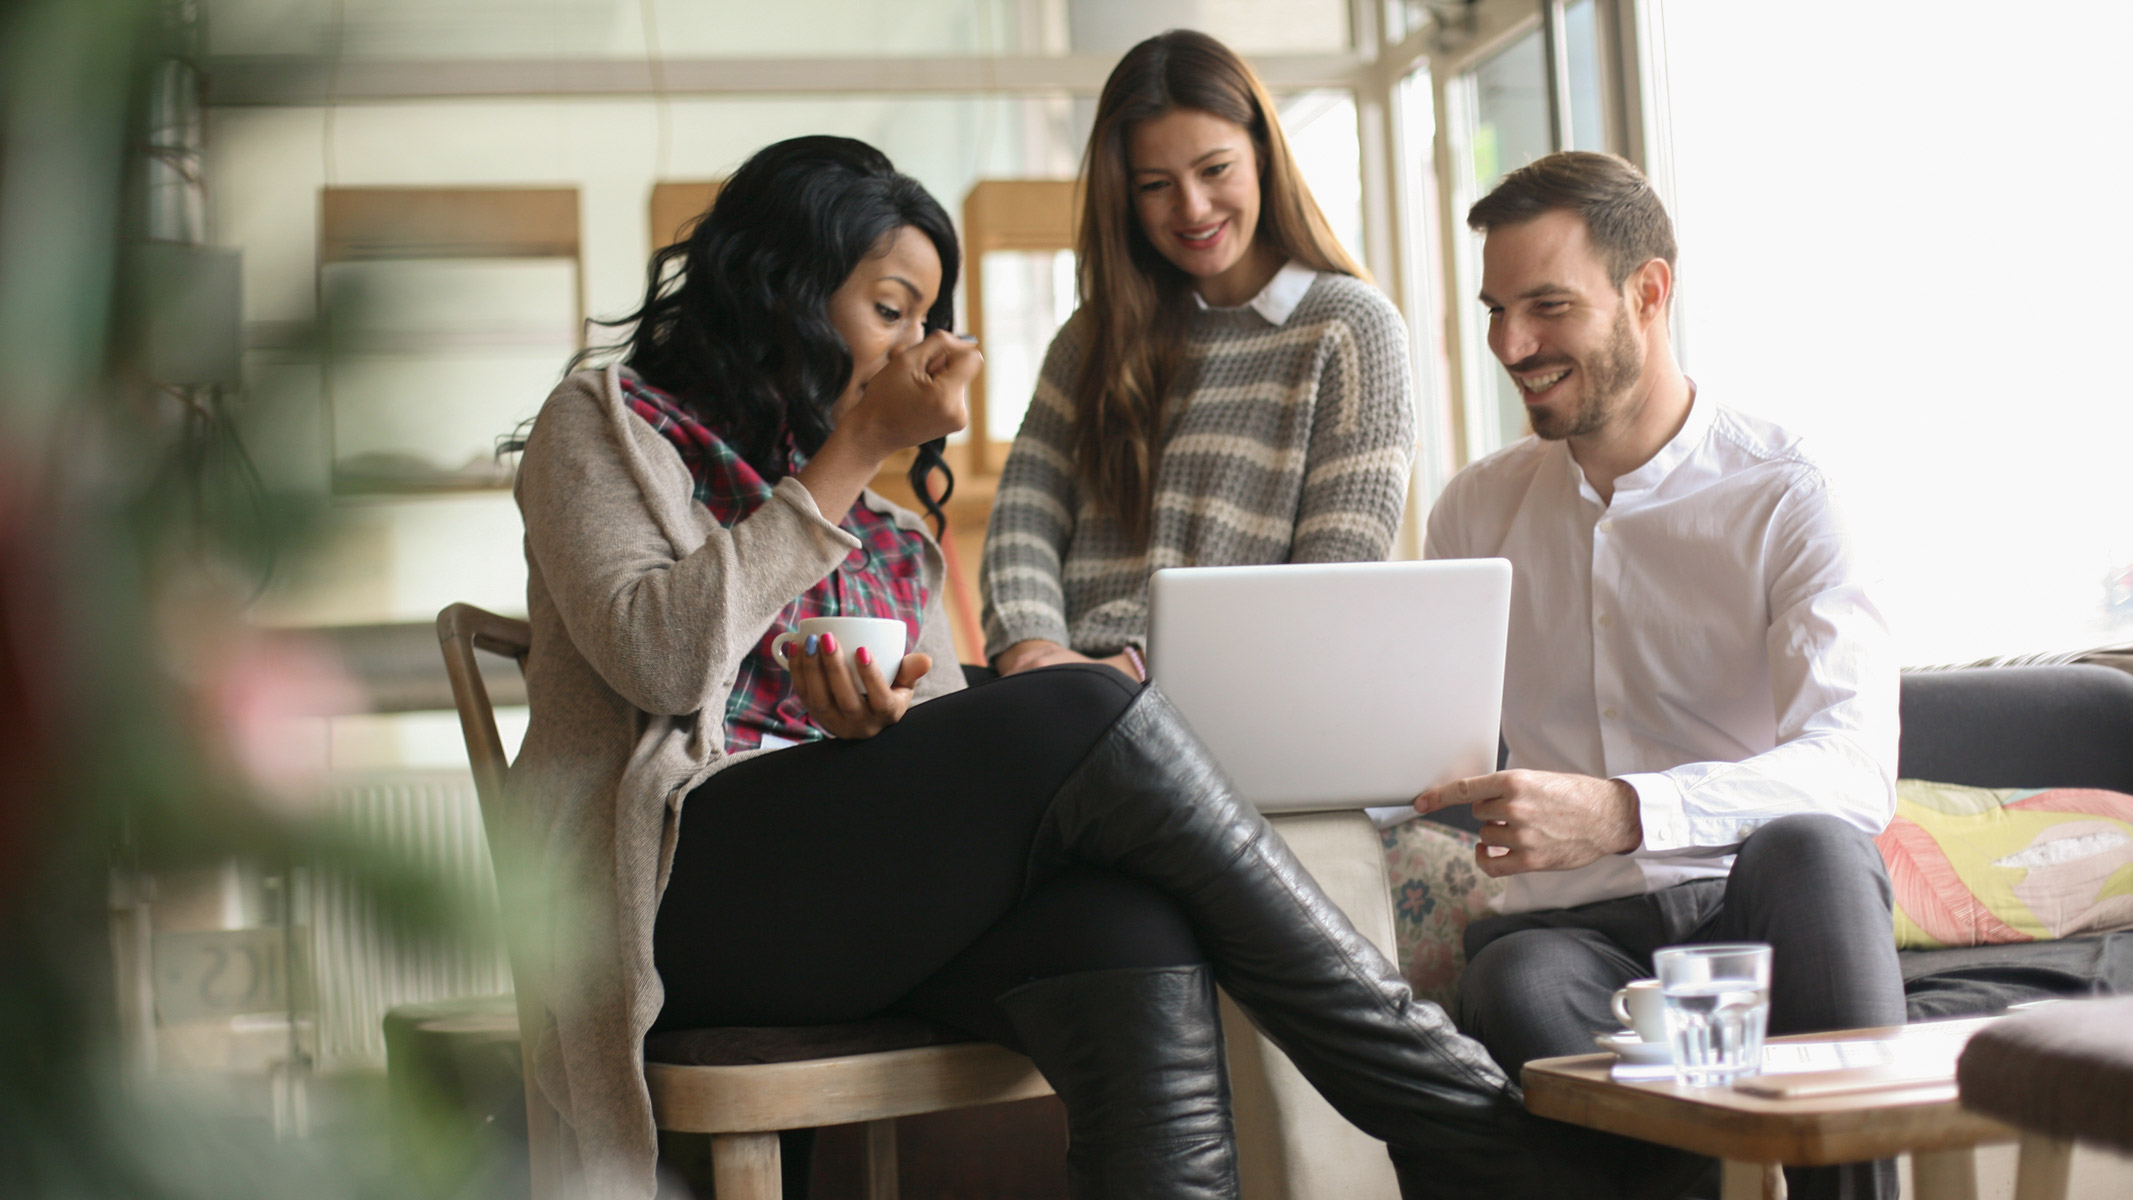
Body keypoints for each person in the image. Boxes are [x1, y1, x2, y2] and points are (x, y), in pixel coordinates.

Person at [508, 134, 1661, 1200]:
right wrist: (857, 450)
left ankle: (1452, 1120)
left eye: (924, 317)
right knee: (1076, 699)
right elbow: (657, 658)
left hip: (843, 905)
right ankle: (1458, 1113)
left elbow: (908, 748)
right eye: (888, 309)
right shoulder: (604, 430)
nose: (914, 346)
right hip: (667, 904)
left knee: (1123, 926)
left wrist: (884, 723)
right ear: (784, 287)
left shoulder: (889, 534)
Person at [1415, 150, 1906, 1200]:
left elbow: (1857, 770)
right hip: (1583, 938)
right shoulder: (1472, 513)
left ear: (1649, 292)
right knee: (1517, 972)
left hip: (1755, 911)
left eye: (1547, 307)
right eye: (1496, 310)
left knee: (1819, 851)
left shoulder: (1785, 491)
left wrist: (1628, 811)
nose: (1511, 345)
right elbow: (1427, 748)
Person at [981, 29, 1416, 681]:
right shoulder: (1089, 338)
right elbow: (1025, 511)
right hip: (1067, 693)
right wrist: (1031, 649)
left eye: (1215, 170)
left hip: (1240, 695)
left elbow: (1334, 579)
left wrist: (1134, 672)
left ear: (1263, 155)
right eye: (1155, 184)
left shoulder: (1348, 329)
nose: (1191, 208)